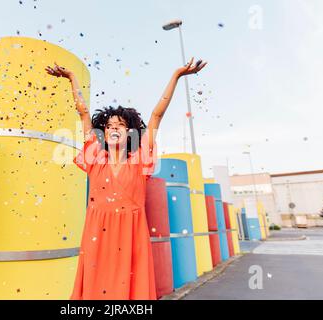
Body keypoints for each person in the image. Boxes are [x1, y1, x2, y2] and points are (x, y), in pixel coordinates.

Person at [46, 58, 207, 300]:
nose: (114, 128)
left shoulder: (141, 159)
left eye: (120, 125)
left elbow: (156, 115)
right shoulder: (94, 157)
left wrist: (176, 75)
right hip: (97, 235)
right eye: (110, 125)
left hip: (131, 236)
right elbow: (83, 112)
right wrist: (72, 77)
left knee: (130, 293)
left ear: (130, 131)